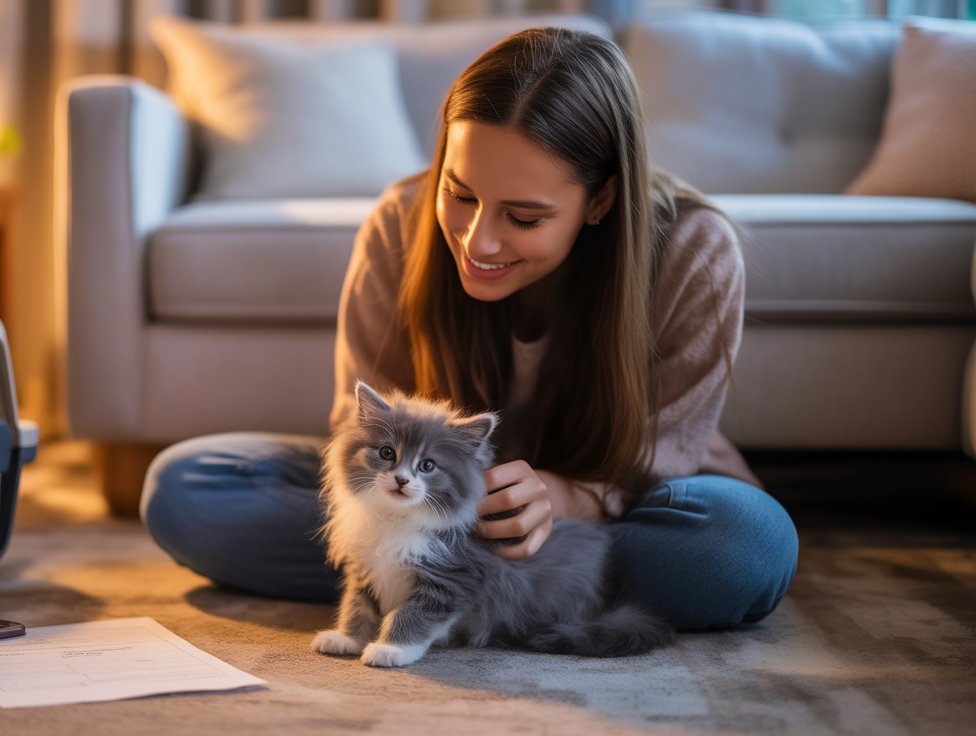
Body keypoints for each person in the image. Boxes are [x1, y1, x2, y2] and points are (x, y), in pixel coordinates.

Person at [140, 28, 798, 631]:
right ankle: (478, 593)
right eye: (459, 193)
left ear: (600, 200)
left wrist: (569, 498)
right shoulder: (399, 222)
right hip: (427, 526)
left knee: (738, 548)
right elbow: (363, 425)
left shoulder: (692, 248)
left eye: (524, 216)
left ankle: (454, 592)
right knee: (190, 488)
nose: (477, 241)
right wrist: (425, 519)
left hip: (606, 517)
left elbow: (663, 455)